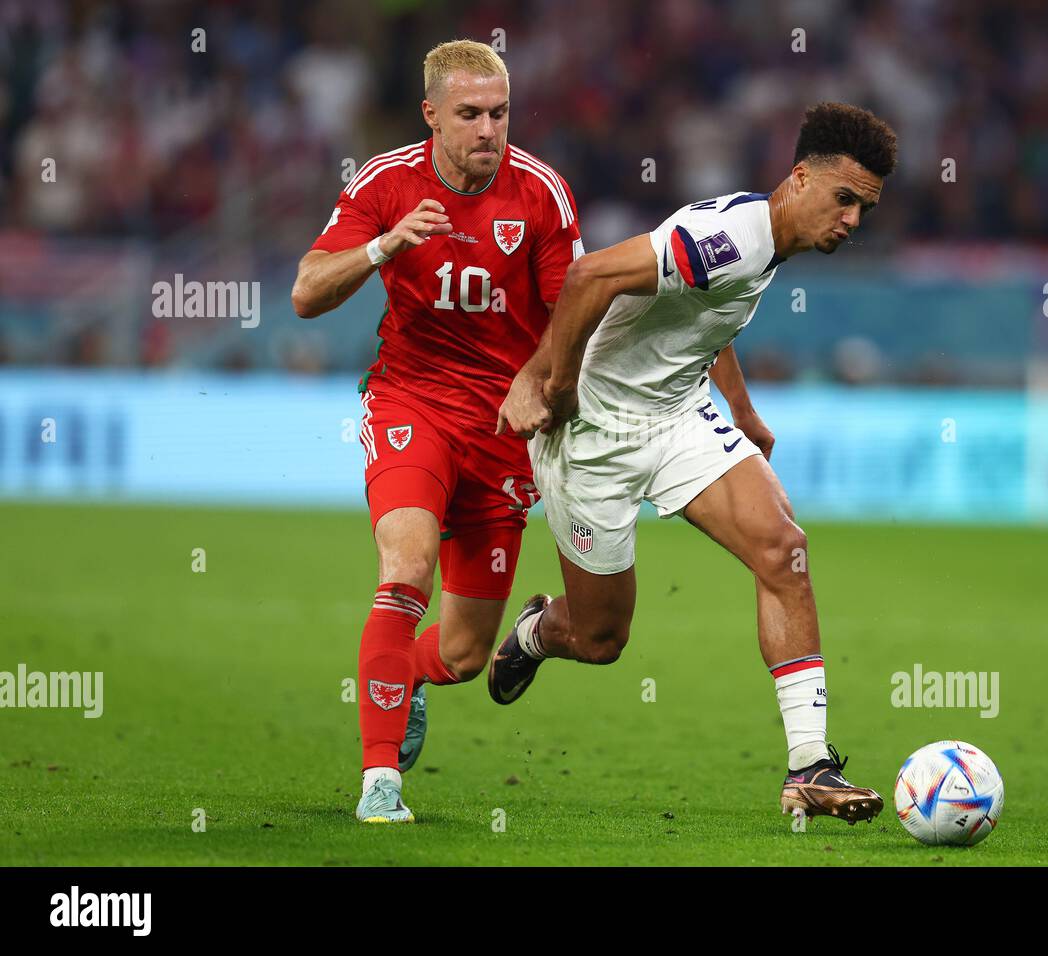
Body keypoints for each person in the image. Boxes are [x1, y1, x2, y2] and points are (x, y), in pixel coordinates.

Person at [490, 102, 897, 824]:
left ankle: (810, 767)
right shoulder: (728, 238)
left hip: (679, 416)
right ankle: (535, 632)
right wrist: (554, 385)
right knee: (600, 638)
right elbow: (587, 277)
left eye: (864, 208)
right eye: (845, 200)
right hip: (593, 433)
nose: (853, 221)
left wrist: (740, 409)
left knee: (784, 549)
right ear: (800, 179)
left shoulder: (769, 243)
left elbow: (708, 315)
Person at [291, 39, 582, 824]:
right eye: (470, 114)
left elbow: (572, 321)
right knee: (406, 570)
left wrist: (543, 389)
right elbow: (306, 292)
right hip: (410, 404)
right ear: (432, 116)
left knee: (460, 656)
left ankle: (407, 677)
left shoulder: (543, 195)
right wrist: (384, 245)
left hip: (503, 428)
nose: (489, 129)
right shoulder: (385, 183)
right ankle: (380, 780)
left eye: (499, 113)